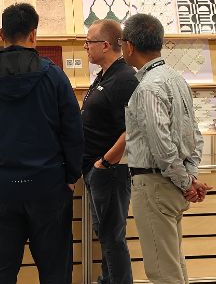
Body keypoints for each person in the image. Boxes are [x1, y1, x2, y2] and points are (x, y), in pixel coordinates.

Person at [0, 3, 84, 284]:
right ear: (34, 34)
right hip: (49, 185)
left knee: (2, 269)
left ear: (1, 34)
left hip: (1, 187)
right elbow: (73, 131)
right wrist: (71, 176)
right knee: (55, 269)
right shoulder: (54, 76)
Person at [120, 14, 212, 284]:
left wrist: (186, 182)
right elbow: (193, 135)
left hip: (154, 184)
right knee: (173, 265)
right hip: (171, 183)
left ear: (129, 46)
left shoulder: (149, 87)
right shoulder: (176, 79)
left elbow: (161, 145)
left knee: (162, 271)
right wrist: (189, 177)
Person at [81, 20, 138, 284]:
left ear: (104, 45)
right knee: (105, 234)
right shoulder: (104, 75)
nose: (85, 47)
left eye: (89, 42)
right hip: (98, 170)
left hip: (111, 171)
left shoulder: (125, 78)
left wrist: (104, 162)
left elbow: (132, 129)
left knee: (112, 237)